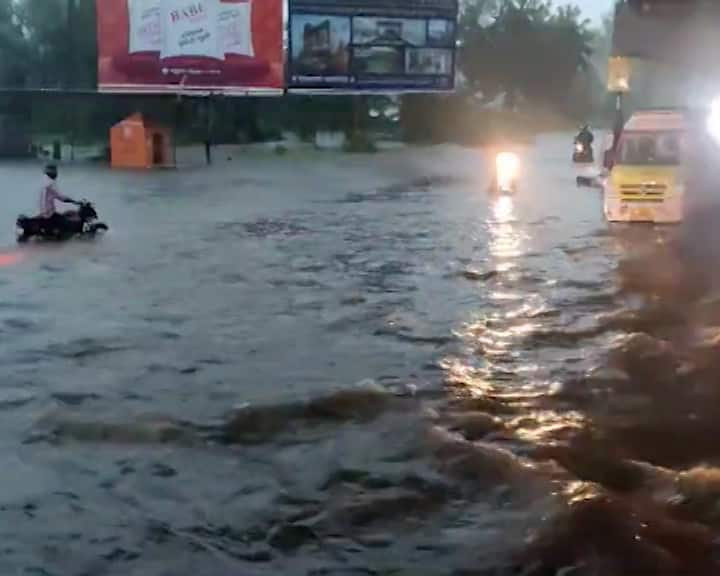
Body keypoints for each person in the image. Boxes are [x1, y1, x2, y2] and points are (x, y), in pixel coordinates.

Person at [39, 164, 77, 231]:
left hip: (43, 211)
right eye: (55, 172)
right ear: (52, 173)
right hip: (49, 213)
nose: (56, 174)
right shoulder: (51, 183)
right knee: (67, 224)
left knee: (66, 215)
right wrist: (74, 201)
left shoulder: (44, 181)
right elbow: (61, 198)